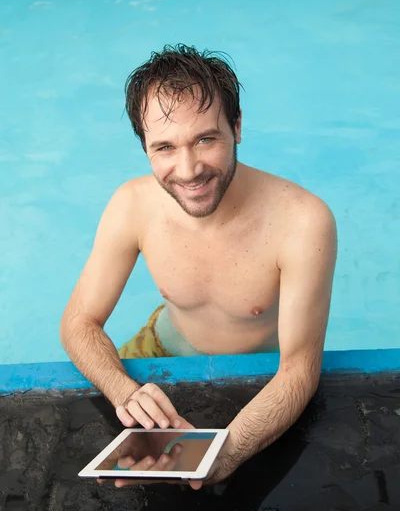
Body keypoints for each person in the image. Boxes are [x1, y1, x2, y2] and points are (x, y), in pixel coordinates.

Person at [60, 44, 337, 490]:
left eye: (205, 139)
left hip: (260, 376)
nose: (188, 171)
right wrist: (124, 392)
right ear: (145, 147)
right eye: (164, 147)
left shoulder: (303, 222)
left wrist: (226, 455)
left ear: (238, 126)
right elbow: (79, 323)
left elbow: (298, 369)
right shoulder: (132, 204)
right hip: (158, 350)